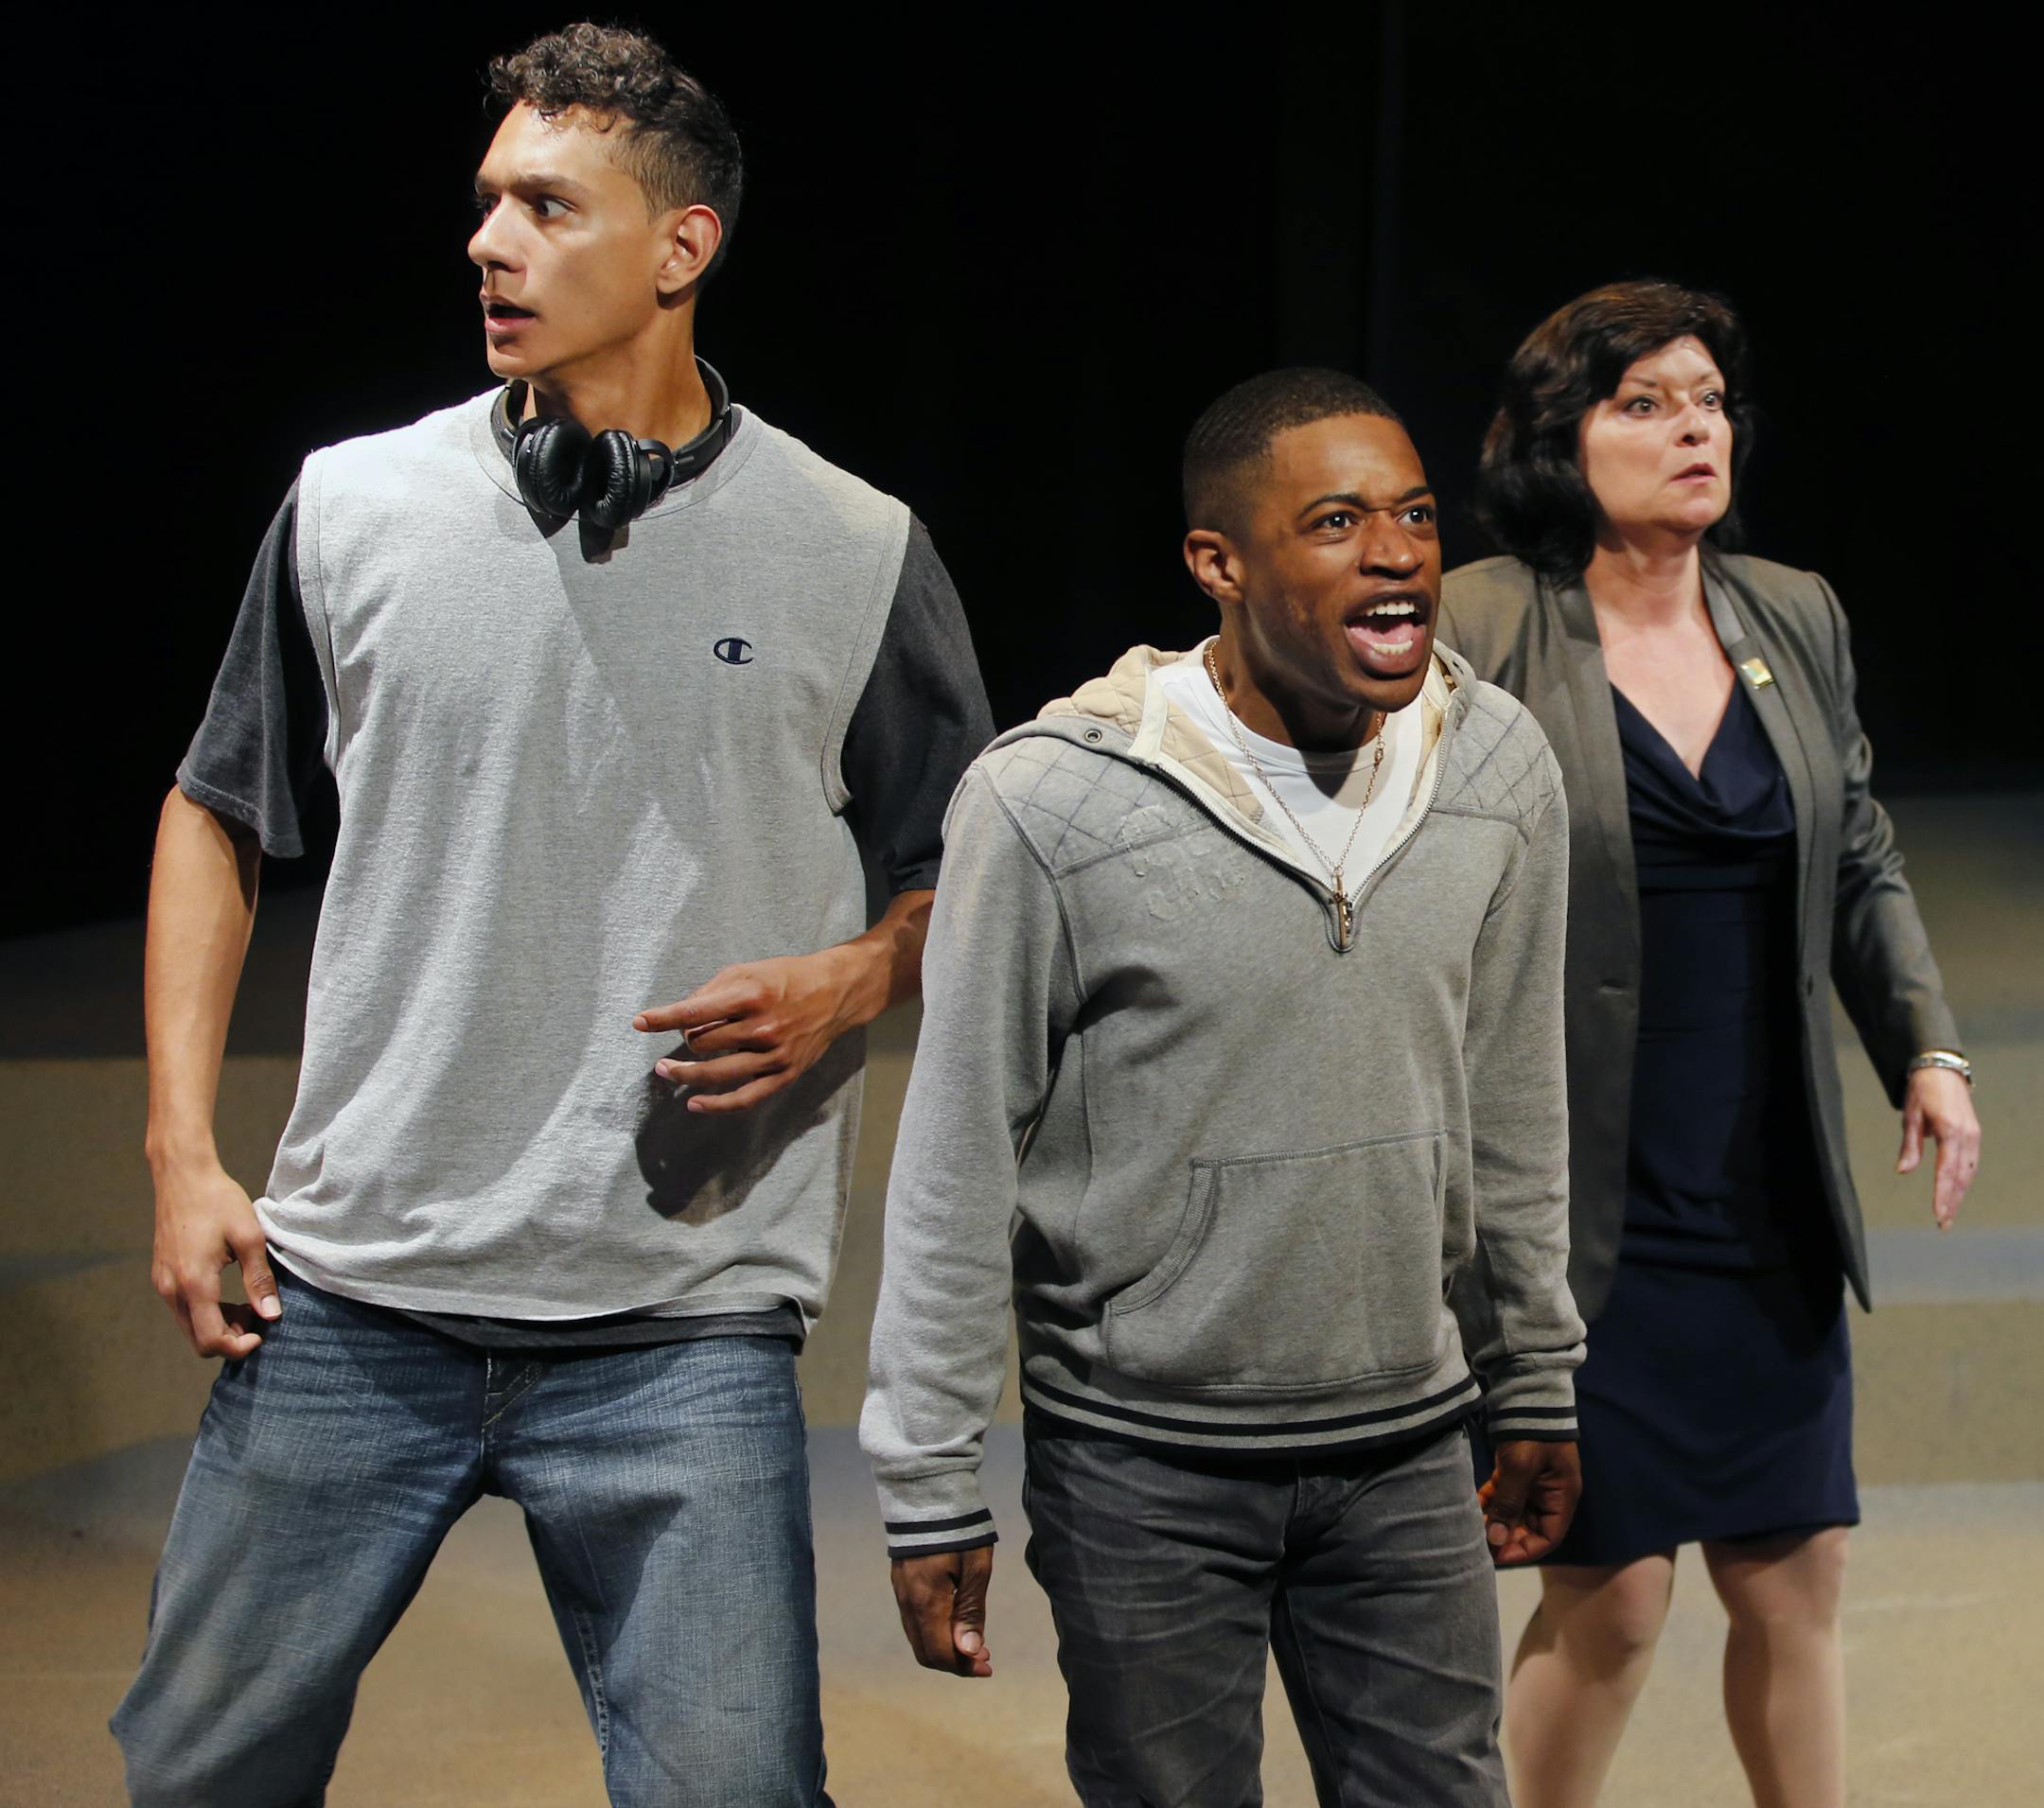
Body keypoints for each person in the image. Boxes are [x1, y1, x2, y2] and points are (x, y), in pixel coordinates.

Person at [113, 23, 991, 1806]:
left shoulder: (853, 540)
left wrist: (858, 976)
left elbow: (962, 861)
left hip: (682, 1316)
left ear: (683, 248)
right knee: (194, 1780)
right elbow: (217, 810)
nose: (488, 243)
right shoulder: (352, 505)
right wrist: (182, 1156)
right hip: (355, 1291)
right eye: (486, 202)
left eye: (546, 205)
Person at [862, 367, 1586, 1805]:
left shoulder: (1498, 765)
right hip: (1144, 1464)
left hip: (1408, 1445)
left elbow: (1516, 1104)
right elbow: (956, 1160)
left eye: (1416, 516)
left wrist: (1539, 1373)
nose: (1396, 554)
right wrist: (928, 1476)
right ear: (1220, 562)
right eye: (1335, 521)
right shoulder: (1053, 803)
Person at [1439, 278, 1982, 1808]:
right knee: (1609, 1598)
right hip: (1579, 1196)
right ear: (1563, 437)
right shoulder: (1482, 622)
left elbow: (1859, 851)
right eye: (1646, 403)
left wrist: (1929, 1052)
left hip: (1763, 1188)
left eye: (1711, 401)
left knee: (1791, 1577)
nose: (1695, 429)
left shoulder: (1789, 611)